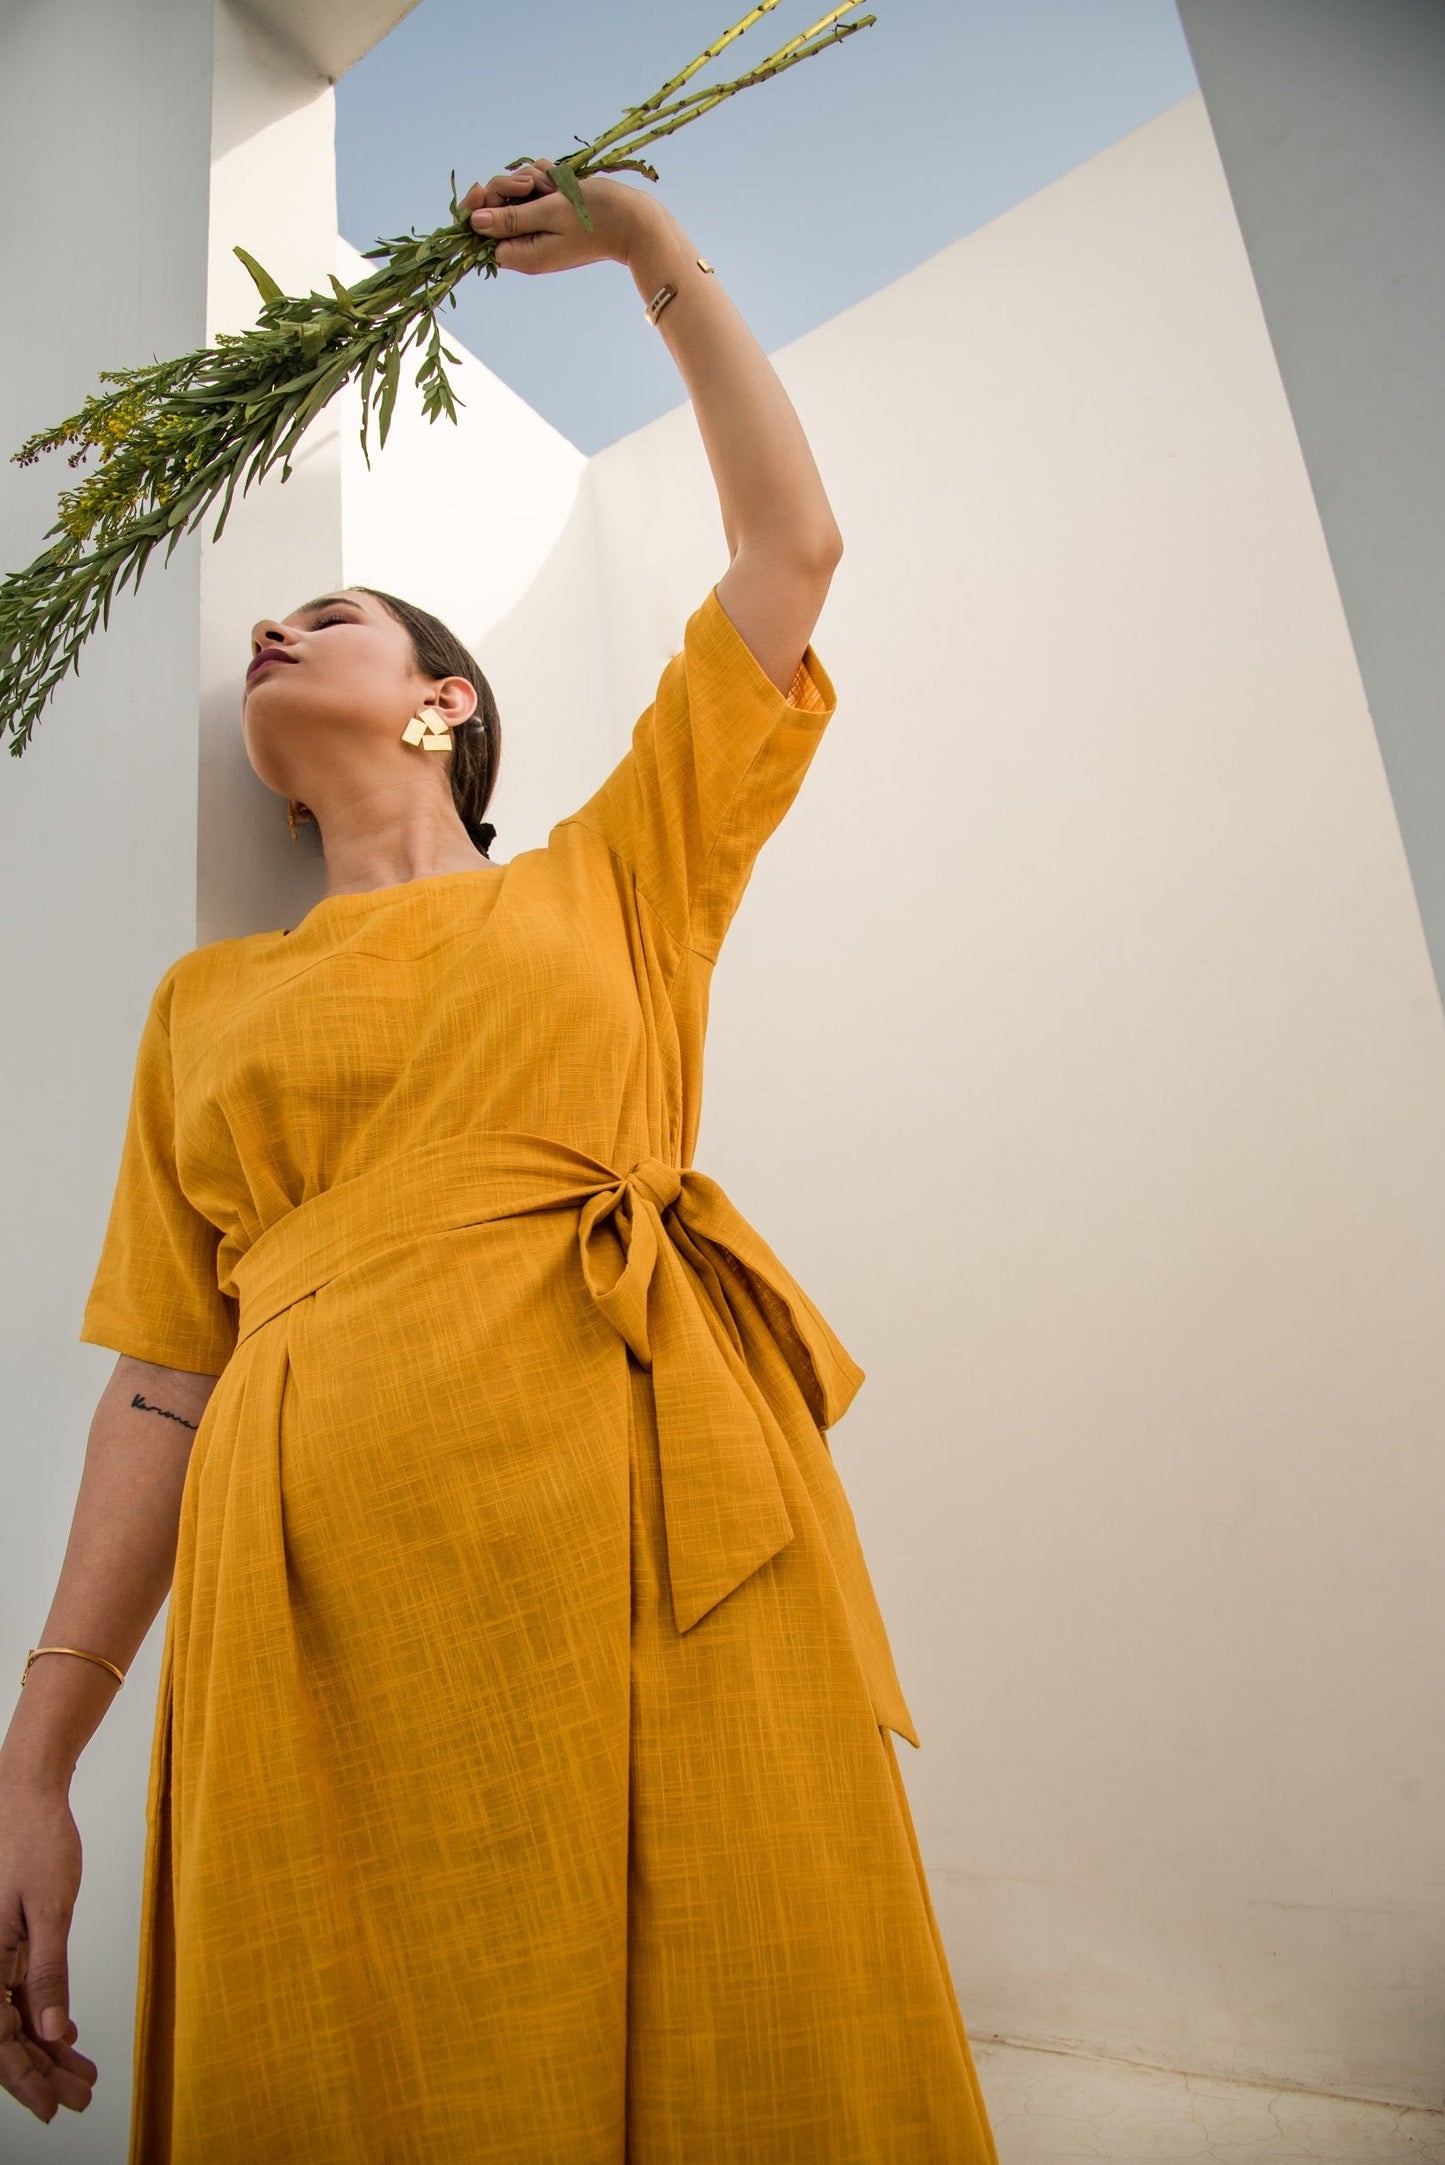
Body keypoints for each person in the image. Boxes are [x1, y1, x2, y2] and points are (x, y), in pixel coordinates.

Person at [0, 158, 999, 2162]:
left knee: (743, 2003)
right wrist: (39, 1759)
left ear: (445, 704)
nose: (276, 625)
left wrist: (649, 247)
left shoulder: (616, 873)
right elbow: (158, 1381)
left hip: (646, 1534)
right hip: (322, 1617)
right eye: (271, 616)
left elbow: (792, 548)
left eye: (334, 613)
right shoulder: (204, 1010)